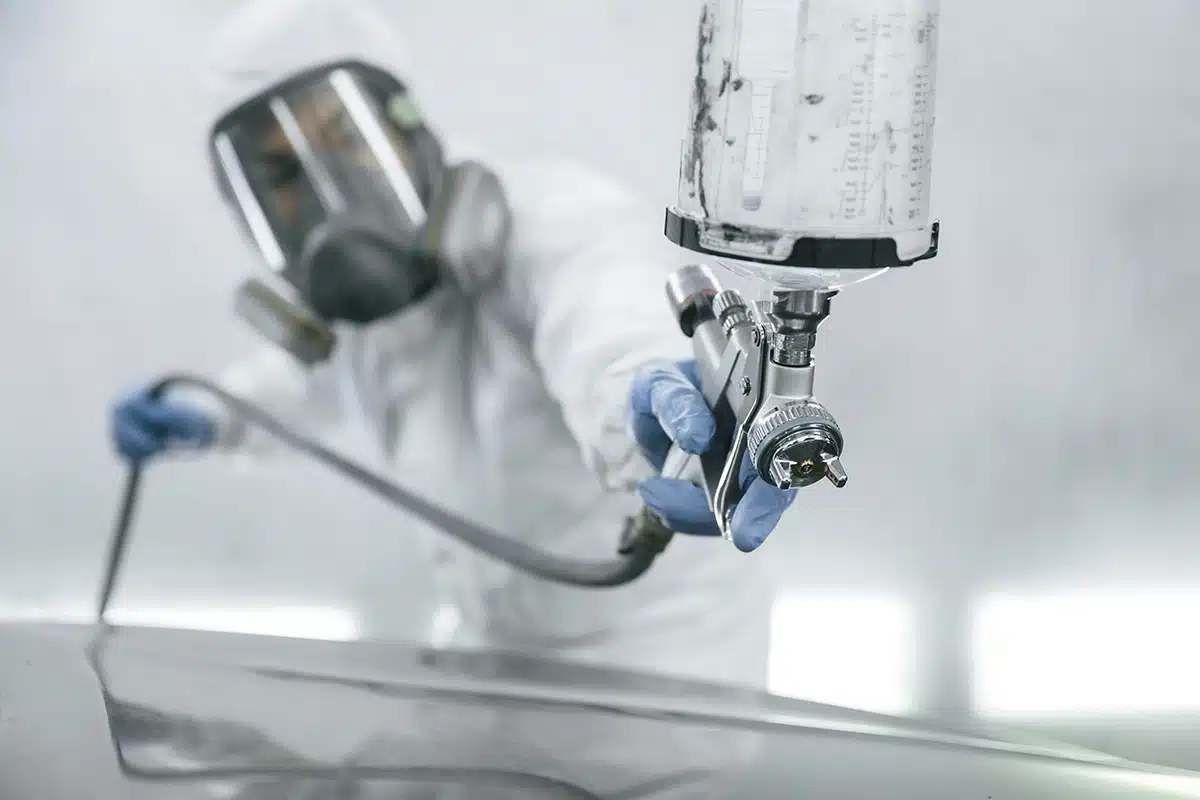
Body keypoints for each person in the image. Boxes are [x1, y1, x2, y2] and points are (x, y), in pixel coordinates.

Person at [109, 0, 797, 689]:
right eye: (285, 175)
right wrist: (214, 418)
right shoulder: (364, 317)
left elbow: (610, 330)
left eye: (347, 136)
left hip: (665, 669)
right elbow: (303, 379)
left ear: (412, 127)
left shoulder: (555, 222)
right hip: (486, 656)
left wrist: (651, 400)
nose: (330, 193)